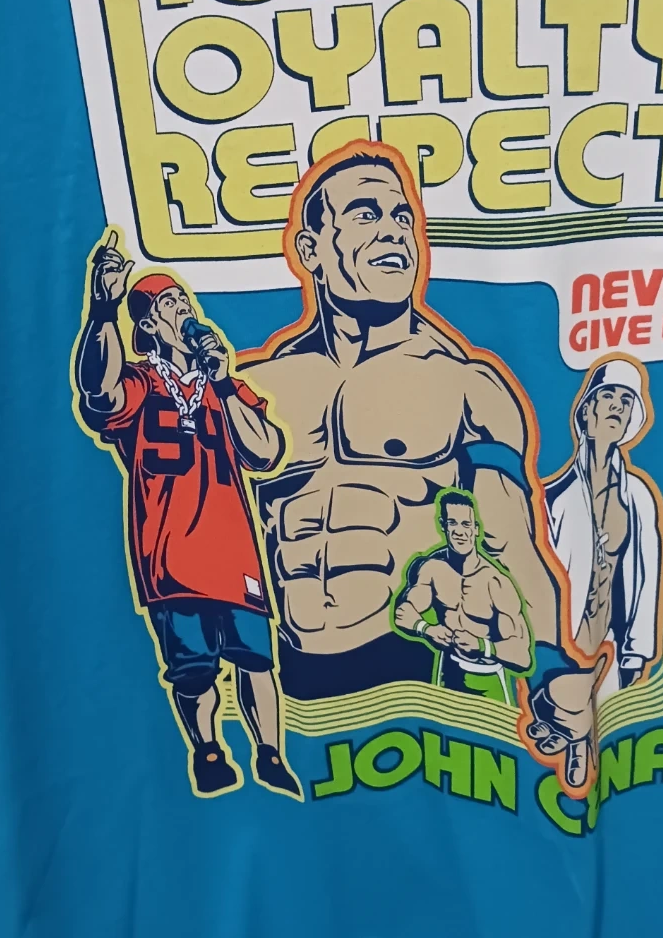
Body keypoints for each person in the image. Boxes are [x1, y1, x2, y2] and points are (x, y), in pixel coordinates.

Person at [240, 140, 572, 700]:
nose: (394, 232)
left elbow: (513, 545)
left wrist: (548, 672)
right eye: (366, 214)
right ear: (310, 249)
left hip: (416, 663)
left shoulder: (466, 386)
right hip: (284, 673)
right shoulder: (256, 388)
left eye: (402, 218)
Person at [73, 232, 301, 798]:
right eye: (170, 304)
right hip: (170, 557)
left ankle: (271, 754)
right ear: (149, 324)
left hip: (235, 552)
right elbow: (99, 391)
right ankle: (207, 750)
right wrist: (102, 309)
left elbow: (266, 451)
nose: (184, 309)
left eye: (183, 300)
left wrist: (223, 382)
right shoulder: (141, 382)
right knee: (193, 668)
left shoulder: (224, 387)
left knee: (256, 660)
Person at [522, 356, 663, 791]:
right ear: (586, 411)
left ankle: (576, 742)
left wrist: (638, 651)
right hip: (563, 645)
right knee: (562, 727)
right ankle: (573, 743)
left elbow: (647, 577)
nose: (618, 406)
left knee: (619, 766)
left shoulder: (637, 496)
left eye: (627, 400)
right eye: (608, 396)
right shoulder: (553, 498)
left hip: (614, 647)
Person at [393, 489, 532, 703]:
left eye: (466, 524)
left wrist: (482, 645)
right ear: (443, 526)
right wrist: (427, 629)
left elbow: (522, 655)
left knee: (492, 726)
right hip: (449, 671)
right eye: (453, 523)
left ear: (476, 529)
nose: (459, 532)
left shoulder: (495, 582)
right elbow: (403, 613)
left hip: (488, 678)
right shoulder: (433, 569)